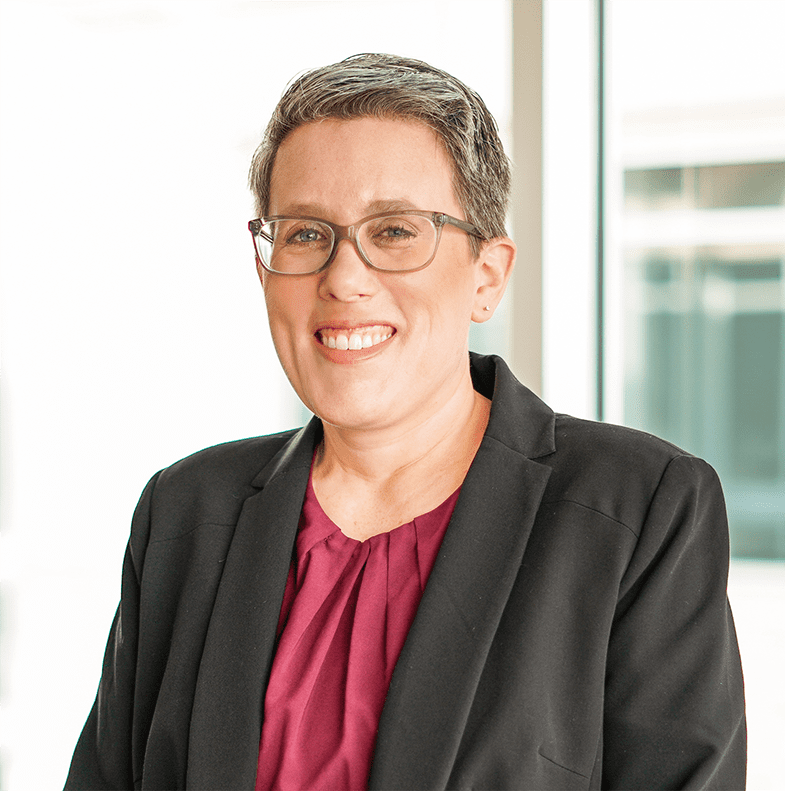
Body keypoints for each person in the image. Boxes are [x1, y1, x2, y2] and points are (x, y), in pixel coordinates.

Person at [65, 53, 746, 790]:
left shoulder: (639, 509)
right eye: (305, 234)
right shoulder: (184, 512)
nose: (343, 278)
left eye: (392, 231)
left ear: (487, 275)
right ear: (264, 270)